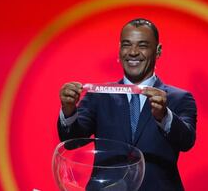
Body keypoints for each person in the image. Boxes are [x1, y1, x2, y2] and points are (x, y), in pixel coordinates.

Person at [57, 18, 197, 191]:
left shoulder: (178, 98)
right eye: (126, 44)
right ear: (119, 50)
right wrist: (69, 110)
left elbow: (187, 142)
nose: (133, 52)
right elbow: (72, 142)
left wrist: (164, 116)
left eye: (143, 45)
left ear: (158, 51)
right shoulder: (98, 95)